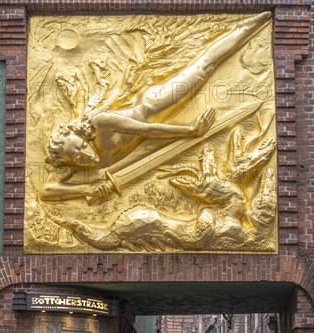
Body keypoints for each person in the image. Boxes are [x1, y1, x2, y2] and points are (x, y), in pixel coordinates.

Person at [41, 12, 271, 200]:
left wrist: (191, 131)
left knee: (204, 67)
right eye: (78, 158)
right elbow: (47, 191)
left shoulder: (100, 122)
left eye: (81, 147)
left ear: (82, 135)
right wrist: (86, 190)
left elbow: (146, 129)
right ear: (69, 162)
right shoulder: (73, 161)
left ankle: (249, 25)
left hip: (156, 105)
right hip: (152, 142)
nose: (85, 155)